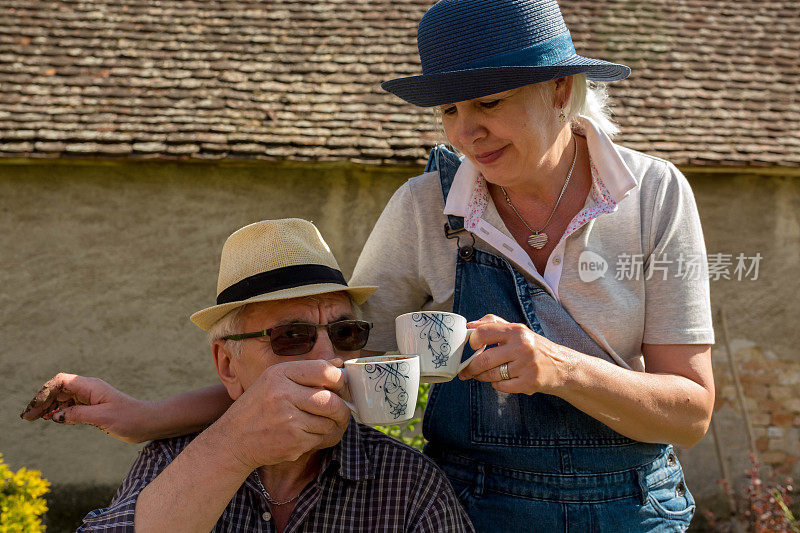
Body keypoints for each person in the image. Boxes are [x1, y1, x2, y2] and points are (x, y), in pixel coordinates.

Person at [23, 1, 715, 531]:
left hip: (633, 510)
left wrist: (562, 369)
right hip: (471, 510)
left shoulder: (655, 197)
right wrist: (148, 417)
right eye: (449, 107)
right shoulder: (425, 208)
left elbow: (690, 411)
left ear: (562, 87)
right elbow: (326, 368)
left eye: (489, 101)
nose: (463, 131)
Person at [30, 219, 473, 532]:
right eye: (292, 336)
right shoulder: (173, 460)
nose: (327, 358)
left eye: (345, 332)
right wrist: (234, 448)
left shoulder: (408, 482)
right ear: (227, 365)